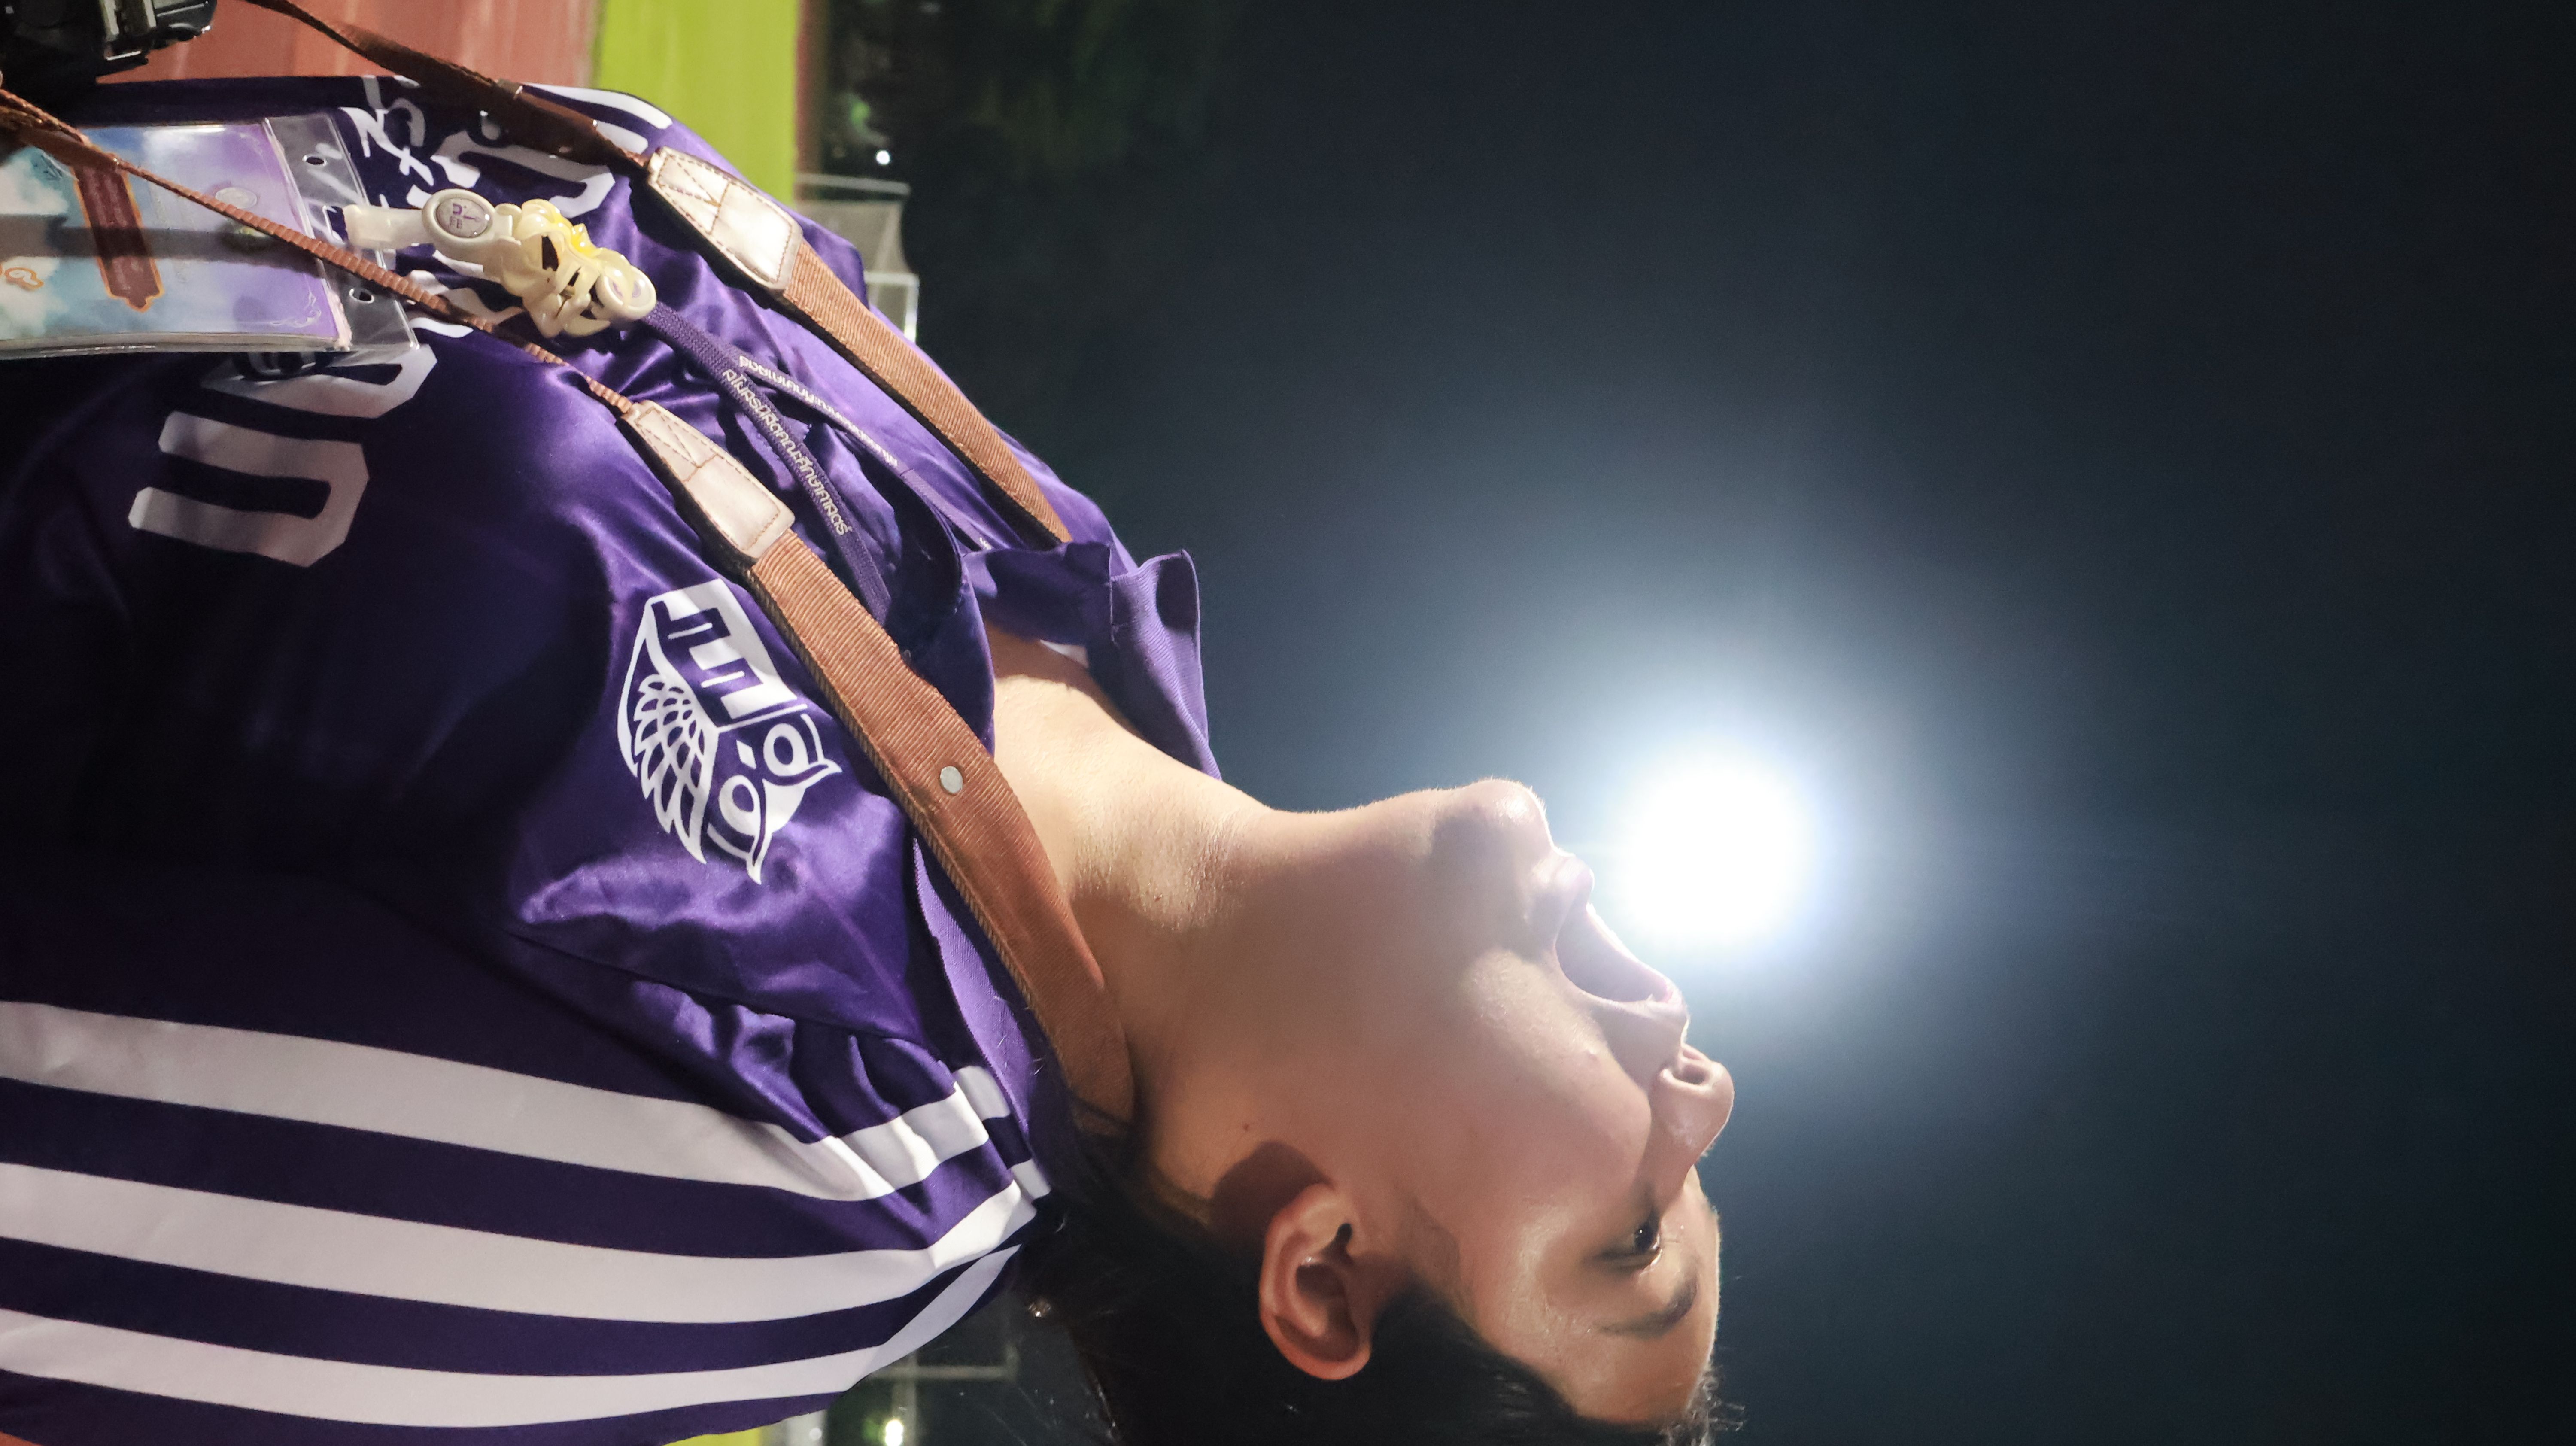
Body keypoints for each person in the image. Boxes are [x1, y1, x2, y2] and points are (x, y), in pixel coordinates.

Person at [0, 73, 1731, 1446]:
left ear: (1329, 1273)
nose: (1706, 1093)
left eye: (1635, 1237)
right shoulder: (1060, 556)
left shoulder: (815, 1183)